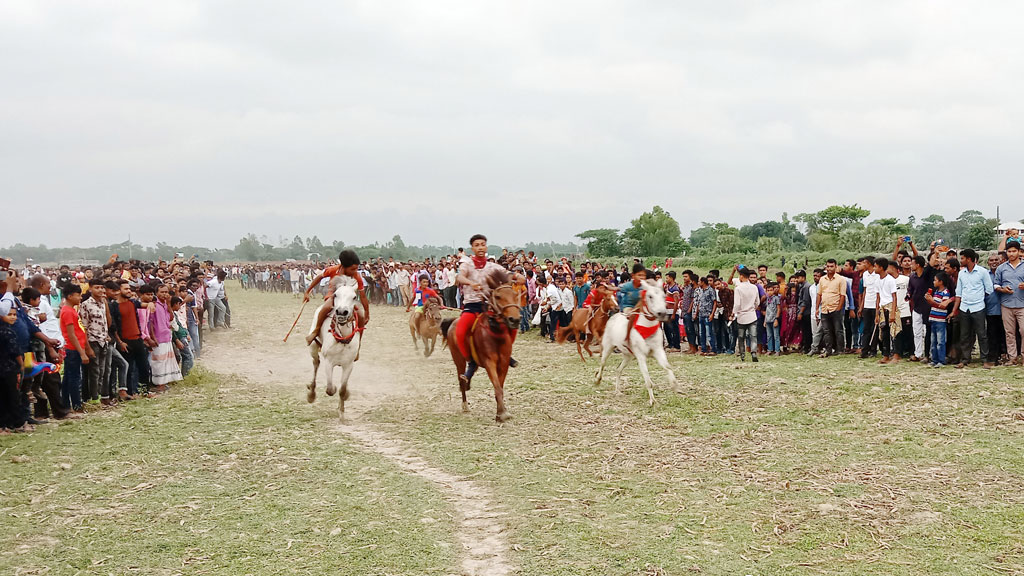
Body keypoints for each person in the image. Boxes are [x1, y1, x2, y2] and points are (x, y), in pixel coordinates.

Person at [454, 234, 519, 386]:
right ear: (472, 248)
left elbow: (508, 273)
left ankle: (507, 353)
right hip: (472, 306)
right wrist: (470, 283)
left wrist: (517, 275)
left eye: (483, 244)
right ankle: (471, 363)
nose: (480, 247)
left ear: (486, 247)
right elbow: (459, 277)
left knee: (513, 325)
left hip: (490, 307)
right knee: (460, 331)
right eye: (477, 245)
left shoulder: (492, 266)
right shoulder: (466, 263)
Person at [304, 250, 370, 347]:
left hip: (349, 300)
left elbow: (363, 295)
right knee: (326, 307)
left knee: (360, 315)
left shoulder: (357, 276)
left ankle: (358, 343)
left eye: (356, 269)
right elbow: (319, 277)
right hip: (333, 296)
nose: (355, 271)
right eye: (352, 269)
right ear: (343, 267)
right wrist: (307, 291)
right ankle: (316, 330)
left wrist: (367, 312)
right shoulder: (332, 270)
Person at [951, 249, 994, 369]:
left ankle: (984, 359)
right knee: (964, 335)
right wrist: (956, 309)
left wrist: (978, 298)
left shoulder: (982, 272)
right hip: (964, 307)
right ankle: (965, 359)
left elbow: (989, 289)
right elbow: (958, 292)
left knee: (982, 334)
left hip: (978, 307)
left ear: (969, 259)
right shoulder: (962, 273)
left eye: (963, 258)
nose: (961, 261)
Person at [79, 279, 112, 405]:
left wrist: (106, 306)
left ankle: (101, 395)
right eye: (97, 287)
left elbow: (108, 322)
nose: (100, 290)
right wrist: (87, 347)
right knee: (94, 371)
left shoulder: (103, 303)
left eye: (102, 287)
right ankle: (94, 398)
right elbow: (84, 328)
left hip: (104, 340)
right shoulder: (86, 305)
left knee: (103, 371)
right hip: (93, 340)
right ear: (90, 288)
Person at [60, 284, 90, 412]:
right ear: (70, 296)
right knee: (74, 377)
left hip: (74, 348)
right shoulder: (67, 311)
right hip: (72, 349)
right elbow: (71, 335)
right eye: (78, 295)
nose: (80, 297)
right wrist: (82, 352)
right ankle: (76, 405)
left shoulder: (71, 310)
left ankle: (66, 404)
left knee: (68, 377)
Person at [995, 240, 1024, 365]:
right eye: (1009, 251)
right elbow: (996, 284)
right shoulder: (1001, 268)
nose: (1011, 254)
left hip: (1022, 304)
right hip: (1006, 304)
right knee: (1009, 332)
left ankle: (1023, 356)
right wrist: (1003, 289)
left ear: (1019, 252)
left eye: (1014, 251)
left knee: (1023, 330)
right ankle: (1012, 357)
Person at [816, 259, 846, 357]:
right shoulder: (822, 279)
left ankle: (840, 350)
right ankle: (828, 350)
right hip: (825, 309)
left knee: (838, 330)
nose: (829, 268)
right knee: (827, 331)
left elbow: (842, 295)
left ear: (836, 267)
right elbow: (819, 294)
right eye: (828, 266)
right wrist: (817, 308)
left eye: (831, 266)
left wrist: (839, 308)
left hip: (836, 308)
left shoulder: (840, 279)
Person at [925, 272, 953, 367]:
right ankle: (934, 359)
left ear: (941, 282)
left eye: (935, 280)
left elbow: (943, 306)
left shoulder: (945, 292)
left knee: (940, 341)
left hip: (940, 320)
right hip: (933, 318)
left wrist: (932, 301)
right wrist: (930, 300)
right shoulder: (936, 292)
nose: (933, 282)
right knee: (933, 341)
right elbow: (933, 304)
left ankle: (941, 360)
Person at [732, 269, 759, 362]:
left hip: (741, 316)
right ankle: (754, 352)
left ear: (742, 276)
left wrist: (734, 312)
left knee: (741, 336)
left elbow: (737, 304)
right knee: (753, 336)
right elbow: (757, 302)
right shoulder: (754, 287)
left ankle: (742, 354)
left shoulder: (738, 288)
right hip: (752, 315)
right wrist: (752, 308)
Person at [764, 281, 781, 356]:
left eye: (771, 290)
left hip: (774, 319)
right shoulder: (767, 299)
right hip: (768, 319)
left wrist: (776, 319)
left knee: (776, 335)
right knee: (769, 335)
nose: (770, 292)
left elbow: (778, 309)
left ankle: (777, 350)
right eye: (768, 290)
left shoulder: (776, 298)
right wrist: (765, 320)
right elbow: (767, 310)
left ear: (774, 290)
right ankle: (770, 349)